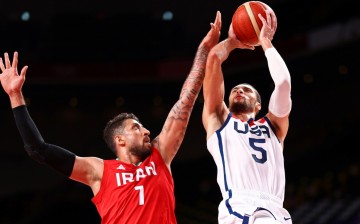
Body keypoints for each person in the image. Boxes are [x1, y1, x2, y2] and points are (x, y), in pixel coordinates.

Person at [0, 11, 222, 224]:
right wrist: (15, 95)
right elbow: (38, 149)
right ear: (120, 139)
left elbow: (186, 100)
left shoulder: (160, 155)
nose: (146, 131)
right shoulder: (98, 170)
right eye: (136, 128)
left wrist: (203, 50)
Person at [202, 9, 292, 224]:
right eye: (235, 89)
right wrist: (232, 42)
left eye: (247, 90)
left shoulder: (274, 127)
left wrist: (266, 43)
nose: (239, 91)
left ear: (259, 105)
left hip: (276, 210)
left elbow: (283, 83)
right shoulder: (219, 120)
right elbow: (214, 58)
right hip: (240, 207)